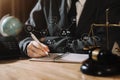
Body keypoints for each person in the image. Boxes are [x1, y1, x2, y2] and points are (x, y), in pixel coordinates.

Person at [19, 0, 120, 58]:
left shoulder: (111, 3)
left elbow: (105, 42)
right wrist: (28, 44)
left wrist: (49, 42)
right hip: (50, 71)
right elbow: (27, 34)